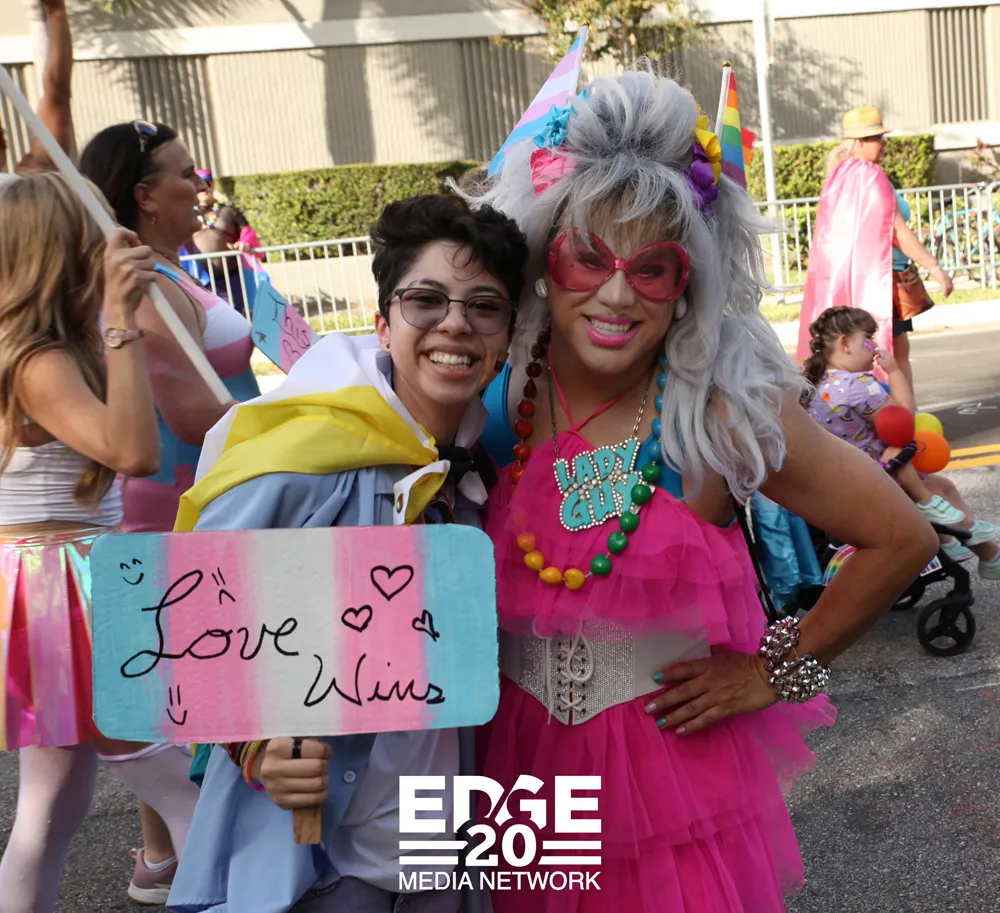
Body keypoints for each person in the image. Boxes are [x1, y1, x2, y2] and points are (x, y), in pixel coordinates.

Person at [466, 66, 939, 912]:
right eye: (588, 257)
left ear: (690, 280)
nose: (616, 294)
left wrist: (774, 671)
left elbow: (902, 536)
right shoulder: (493, 395)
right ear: (544, 256)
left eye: (653, 267)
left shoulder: (718, 410)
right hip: (514, 770)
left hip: (669, 788)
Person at [167, 193, 528, 912]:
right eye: (426, 299)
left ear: (507, 336)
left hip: (438, 850)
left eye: (484, 307)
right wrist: (255, 748)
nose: (456, 323)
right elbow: (182, 629)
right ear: (383, 321)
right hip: (316, 860)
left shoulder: (486, 472)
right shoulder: (294, 465)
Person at [80, 121, 261, 903]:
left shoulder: (166, 274)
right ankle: (215, 860)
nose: (201, 187)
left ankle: (162, 856)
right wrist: (303, 412)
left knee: (168, 694)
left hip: (191, 503)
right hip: (174, 515)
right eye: (187, 175)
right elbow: (195, 415)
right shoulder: (146, 287)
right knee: (194, 694)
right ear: (145, 195)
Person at [0, 172, 160, 913]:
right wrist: (121, 319)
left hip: (49, 582)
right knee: (182, 789)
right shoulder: (38, 360)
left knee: (53, 805)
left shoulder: (38, 349)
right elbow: (135, 452)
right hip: (64, 586)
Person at [803, 305, 1000, 579]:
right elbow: (904, 423)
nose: (874, 347)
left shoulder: (816, 382)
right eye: (868, 338)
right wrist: (894, 372)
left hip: (843, 480)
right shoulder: (857, 385)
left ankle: (960, 546)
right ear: (845, 343)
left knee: (943, 486)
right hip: (877, 478)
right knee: (935, 490)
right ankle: (984, 549)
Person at [796, 106, 953, 389]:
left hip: (853, 282)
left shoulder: (838, 177)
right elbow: (898, 232)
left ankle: (870, 406)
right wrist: (936, 268)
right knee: (891, 353)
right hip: (880, 281)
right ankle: (899, 409)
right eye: (877, 137)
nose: (884, 142)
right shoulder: (870, 175)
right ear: (860, 141)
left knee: (870, 351)